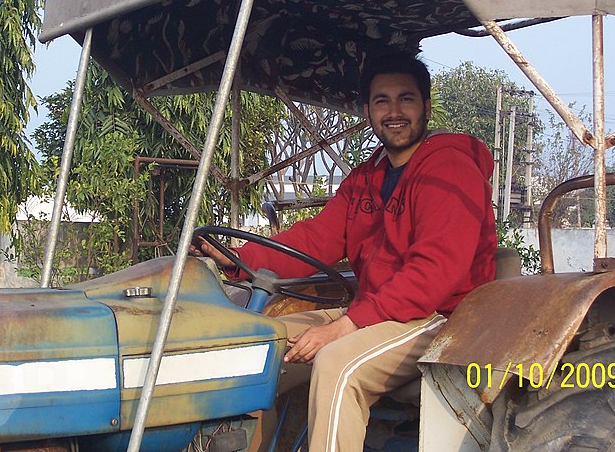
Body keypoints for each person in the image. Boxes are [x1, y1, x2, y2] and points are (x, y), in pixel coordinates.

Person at [192, 51, 497, 452]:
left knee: (337, 363)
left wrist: (343, 328)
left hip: (443, 317)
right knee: (259, 343)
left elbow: (435, 273)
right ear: (367, 111)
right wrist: (240, 257)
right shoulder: (368, 177)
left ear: (425, 107)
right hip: (376, 308)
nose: (394, 111)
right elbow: (317, 238)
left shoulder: (449, 169)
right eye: (382, 101)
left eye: (406, 99)